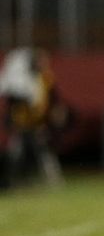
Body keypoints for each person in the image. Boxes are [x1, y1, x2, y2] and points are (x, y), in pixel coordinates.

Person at [0, 47, 68, 189]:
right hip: (22, 124)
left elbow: (51, 99)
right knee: (16, 153)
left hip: (37, 123)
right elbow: (12, 103)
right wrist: (12, 123)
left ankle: (54, 181)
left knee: (44, 151)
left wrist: (47, 121)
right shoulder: (21, 81)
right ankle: (13, 182)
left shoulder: (45, 78)